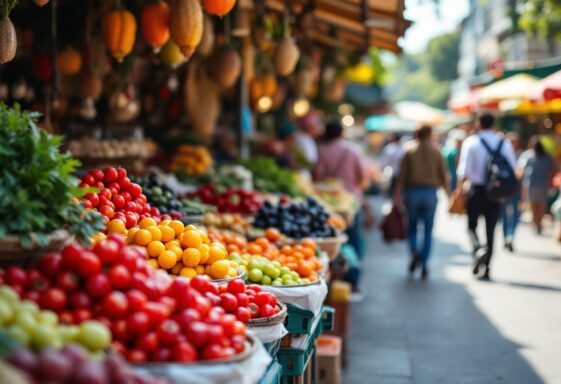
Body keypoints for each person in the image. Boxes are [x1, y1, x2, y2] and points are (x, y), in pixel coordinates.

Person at [456, 113, 517, 280]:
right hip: (496, 192)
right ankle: (488, 267)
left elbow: (464, 171)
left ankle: (478, 249)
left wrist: (459, 191)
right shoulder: (503, 143)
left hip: (476, 190)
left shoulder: (471, 142)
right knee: (491, 229)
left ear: (478, 123)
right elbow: (513, 168)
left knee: (472, 226)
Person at [314, 119, 368, 296]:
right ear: (341, 133)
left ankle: (330, 282)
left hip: (327, 203)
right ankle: (353, 281)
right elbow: (363, 178)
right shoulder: (353, 150)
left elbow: (317, 176)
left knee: (329, 244)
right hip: (350, 203)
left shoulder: (322, 151)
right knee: (353, 241)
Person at [393, 125, 448, 279]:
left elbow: (401, 177)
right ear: (430, 134)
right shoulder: (436, 152)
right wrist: (449, 196)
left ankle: (415, 251)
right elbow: (444, 177)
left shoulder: (409, 151)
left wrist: (396, 197)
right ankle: (424, 263)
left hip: (412, 192)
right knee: (428, 230)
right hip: (430, 192)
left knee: (412, 227)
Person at [522, 140, 557, 234]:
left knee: (534, 205)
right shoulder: (539, 158)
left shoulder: (532, 157)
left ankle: (537, 223)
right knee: (540, 205)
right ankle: (537, 223)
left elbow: (525, 171)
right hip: (542, 185)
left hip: (534, 185)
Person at [501, 132, 523, 252]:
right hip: (505, 189)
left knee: (515, 214)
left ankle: (510, 237)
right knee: (504, 214)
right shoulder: (502, 154)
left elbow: (521, 173)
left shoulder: (520, 155)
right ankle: (506, 237)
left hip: (515, 189)